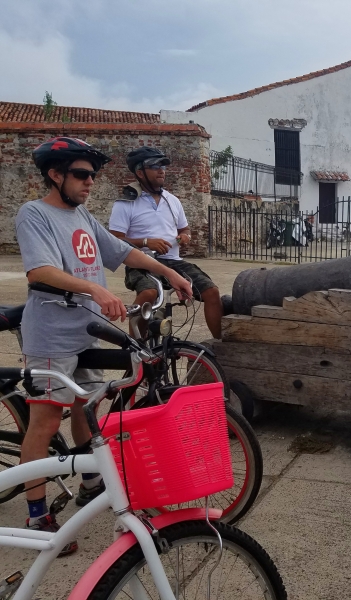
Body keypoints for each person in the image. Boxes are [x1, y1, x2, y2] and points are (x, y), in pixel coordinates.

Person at [17, 137, 194, 555]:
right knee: (44, 421)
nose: (90, 182)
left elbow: (124, 251)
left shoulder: (82, 216)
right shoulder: (35, 214)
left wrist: (171, 275)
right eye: (81, 174)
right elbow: (39, 270)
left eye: (92, 175)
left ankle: (91, 484)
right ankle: (37, 513)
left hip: (85, 330)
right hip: (51, 334)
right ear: (55, 175)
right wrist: (95, 290)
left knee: (87, 406)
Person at [108, 147, 223, 338]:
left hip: (173, 261)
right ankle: (138, 347)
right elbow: (114, 240)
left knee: (212, 292)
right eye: (154, 166)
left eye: (162, 166)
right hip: (142, 262)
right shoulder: (125, 204)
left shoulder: (173, 200)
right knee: (148, 294)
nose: (161, 170)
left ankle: (220, 345)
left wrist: (186, 237)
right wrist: (145, 242)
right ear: (139, 172)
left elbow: (184, 229)